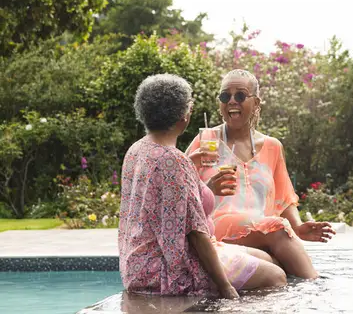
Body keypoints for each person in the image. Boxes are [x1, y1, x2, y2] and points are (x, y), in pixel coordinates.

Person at [118, 74, 286, 299]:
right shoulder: (172, 160)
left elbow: (172, 204)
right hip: (163, 269)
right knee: (276, 276)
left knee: (267, 259)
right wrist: (226, 288)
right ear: (183, 117)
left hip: (137, 263)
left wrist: (195, 174)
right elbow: (197, 234)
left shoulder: (138, 149)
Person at [186, 69, 336, 280]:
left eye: (240, 95)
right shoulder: (206, 140)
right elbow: (178, 188)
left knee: (277, 252)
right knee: (276, 228)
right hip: (215, 227)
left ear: (256, 103)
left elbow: (284, 199)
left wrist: (299, 227)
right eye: (224, 96)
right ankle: (316, 288)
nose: (231, 101)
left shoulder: (273, 147)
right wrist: (208, 188)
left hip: (262, 232)